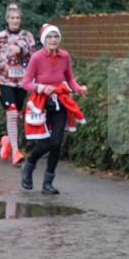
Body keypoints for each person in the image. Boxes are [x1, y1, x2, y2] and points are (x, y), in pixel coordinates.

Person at [20, 24, 88, 194]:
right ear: (44, 40)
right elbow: (26, 83)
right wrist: (42, 88)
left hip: (60, 102)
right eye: (49, 37)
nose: (53, 40)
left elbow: (69, 79)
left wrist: (79, 89)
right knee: (44, 143)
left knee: (57, 143)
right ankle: (29, 164)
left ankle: (48, 183)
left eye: (56, 37)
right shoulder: (36, 57)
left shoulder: (64, 56)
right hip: (41, 103)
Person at [0, 2, 36, 165]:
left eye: (18, 18)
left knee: (18, 115)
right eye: (12, 18)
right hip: (5, 80)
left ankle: (8, 140)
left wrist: (21, 51)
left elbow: (34, 56)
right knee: (12, 112)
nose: (15, 20)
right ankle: (16, 151)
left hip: (22, 81)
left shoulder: (27, 36)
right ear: (7, 19)